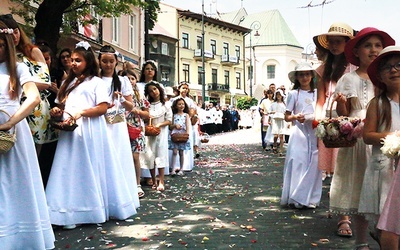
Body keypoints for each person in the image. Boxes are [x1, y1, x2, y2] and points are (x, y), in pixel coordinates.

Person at [46, 41, 138, 229]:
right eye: (71, 60)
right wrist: (57, 111)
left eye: (78, 60)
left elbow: (102, 108)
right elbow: (61, 104)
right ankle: (67, 210)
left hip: (89, 129)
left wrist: (82, 113)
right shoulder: (67, 82)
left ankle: (90, 208)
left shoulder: (96, 82)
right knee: (67, 169)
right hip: (70, 131)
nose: (73, 63)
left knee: (86, 167)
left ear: (87, 61)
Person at [332, 27, 394, 250]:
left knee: (385, 188)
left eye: (378, 45)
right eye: (368, 45)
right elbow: (340, 116)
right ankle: (360, 241)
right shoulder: (348, 79)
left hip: (385, 138)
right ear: (356, 51)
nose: (374, 50)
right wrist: (341, 105)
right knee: (359, 189)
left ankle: (382, 229)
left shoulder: (387, 76)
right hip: (358, 140)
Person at [0, 21, 55, 249]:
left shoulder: (18, 68)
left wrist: (10, 123)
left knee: (15, 182)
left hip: (12, 133)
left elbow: (33, 99)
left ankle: (19, 236)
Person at [313, 22, 356, 237]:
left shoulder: (356, 68)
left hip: (355, 122)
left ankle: (351, 211)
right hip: (333, 126)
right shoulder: (324, 69)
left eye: (338, 41)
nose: (334, 45)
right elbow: (321, 100)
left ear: (349, 44)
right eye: (331, 42)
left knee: (354, 170)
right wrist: (319, 122)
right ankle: (344, 217)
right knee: (339, 172)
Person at [0, 14, 56, 155]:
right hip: (17, 102)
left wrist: (22, 85)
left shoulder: (31, 52)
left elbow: (45, 81)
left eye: (16, 31)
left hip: (27, 109)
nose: (14, 36)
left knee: (28, 150)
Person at [363, 46, 400, 249]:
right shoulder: (377, 104)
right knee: (388, 220)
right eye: (387, 67)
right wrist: (393, 138)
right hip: (385, 166)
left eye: (398, 65)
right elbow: (367, 136)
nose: (393, 70)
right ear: (380, 76)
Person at [98, 44, 141, 207]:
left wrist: (121, 99)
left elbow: (131, 106)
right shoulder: (95, 80)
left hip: (116, 124)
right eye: (104, 61)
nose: (108, 65)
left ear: (116, 62)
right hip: (101, 121)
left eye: (111, 61)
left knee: (118, 156)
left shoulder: (122, 81)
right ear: (99, 62)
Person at [280, 62, 321, 209]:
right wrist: (296, 117)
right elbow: (287, 116)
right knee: (298, 161)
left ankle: (310, 197)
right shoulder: (293, 94)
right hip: (299, 131)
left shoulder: (317, 93)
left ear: (312, 76)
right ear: (297, 77)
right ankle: (296, 196)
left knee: (314, 163)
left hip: (315, 130)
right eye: (301, 74)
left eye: (307, 74)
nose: (305, 77)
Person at [121, 69, 150, 198]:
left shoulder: (139, 96)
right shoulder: (118, 94)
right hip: (121, 127)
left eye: (132, 78)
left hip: (136, 128)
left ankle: (137, 184)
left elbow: (147, 114)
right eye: (127, 79)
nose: (130, 81)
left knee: (135, 157)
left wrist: (136, 111)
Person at [143, 81, 172, 192]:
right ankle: (153, 179)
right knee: (150, 155)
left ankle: (161, 180)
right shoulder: (147, 105)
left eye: (155, 89)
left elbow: (169, 120)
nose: (153, 92)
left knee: (160, 154)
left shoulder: (166, 105)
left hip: (161, 132)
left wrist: (160, 124)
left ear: (159, 89)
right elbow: (145, 117)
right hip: (149, 132)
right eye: (150, 91)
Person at [169, 98, 191, 175]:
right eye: (179, 104)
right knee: (174, 151)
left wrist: (187, 134)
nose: (181, 106)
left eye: (183, 104)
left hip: (183, 135)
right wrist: (175, 126)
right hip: (175, 135)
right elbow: (170, 126)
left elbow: (188, 125)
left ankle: (181, 169)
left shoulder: (186, 115)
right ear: (176, 106)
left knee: (181, 152)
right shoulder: (173, 115)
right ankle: (173, 169)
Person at [270, 89, 286, 156]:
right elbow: (270, 111)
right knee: (276, 135)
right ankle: (275, 146)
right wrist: (272, 114)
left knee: (281, 136)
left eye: (279, 95)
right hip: (275, 120)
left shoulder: (284, 105)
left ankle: (281, 150)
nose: (278, 96)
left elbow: (286, 112)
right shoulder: (273, 104)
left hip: (282, 120)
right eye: (277, 95)